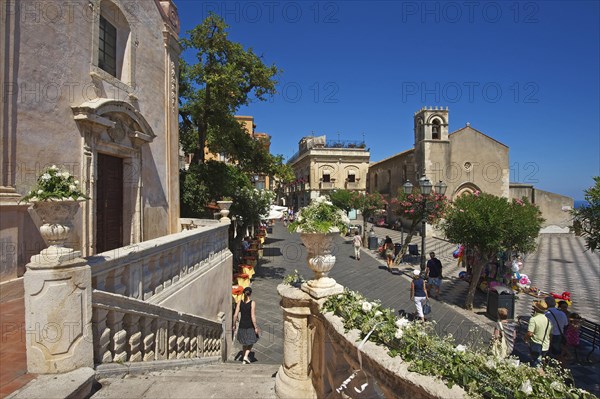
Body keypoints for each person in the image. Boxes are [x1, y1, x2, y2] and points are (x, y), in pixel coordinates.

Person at [232, 287, 260, 364]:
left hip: (242, 325)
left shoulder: (239, 302)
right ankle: (245, 356)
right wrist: (256, 327)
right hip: (250, 325)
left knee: (244, 342)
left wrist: (234, 325)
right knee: (252, 341)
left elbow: (235, 315)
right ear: (250, 294)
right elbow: (253, 316)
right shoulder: (252, 303)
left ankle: (244, 359)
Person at [525, 300, 552, 367]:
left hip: (536, 344)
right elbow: (550, 334)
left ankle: (539, 375)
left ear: (536, 309)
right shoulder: (548, 320)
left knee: (536, 364)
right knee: (540, 362)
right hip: (545, 345)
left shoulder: (534, 319)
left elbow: (530, 333)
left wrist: (525, 339)